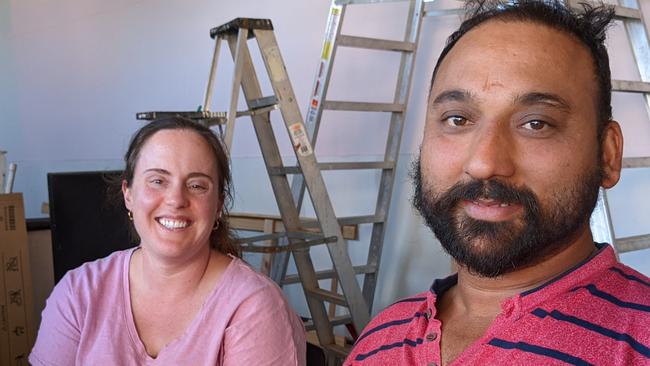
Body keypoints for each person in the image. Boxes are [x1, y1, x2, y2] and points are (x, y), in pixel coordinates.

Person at [346, 0, 650, 365]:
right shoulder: (379, 338)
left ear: (607, 155)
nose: (484, 163)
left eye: (536, 123)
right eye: (457, 119)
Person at [30, 117, 306, 365]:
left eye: (197, 185)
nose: (176, 200)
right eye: (158, 181)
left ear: (218, 205)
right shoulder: (79, 293)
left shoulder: (254, 307)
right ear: (128, 193)